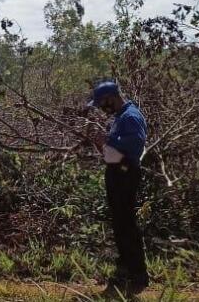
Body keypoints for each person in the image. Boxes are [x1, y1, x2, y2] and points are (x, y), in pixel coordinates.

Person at [87, 79, 149, 296]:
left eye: (102, 103)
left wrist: (109, 139)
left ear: (111, 98)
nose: (101, 108)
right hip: (116, 172)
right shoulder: (119, 117)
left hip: (125, 173)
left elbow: (136, 143)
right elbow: (112, 147)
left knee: (126, 224)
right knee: (120, 223)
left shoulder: (131, 116)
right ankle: (125, 269)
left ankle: (137, 275)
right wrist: (101, 143)